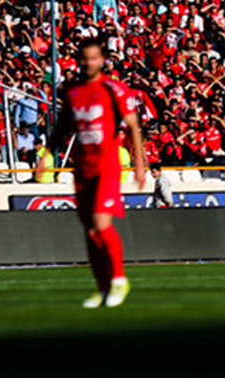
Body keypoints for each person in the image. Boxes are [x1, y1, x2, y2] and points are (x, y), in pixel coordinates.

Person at [38, 38, 146, 308]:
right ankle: (103, 288)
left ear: (102, 60)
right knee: (89, 231)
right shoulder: (73, 91)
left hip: (106, 167)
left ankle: (119, 279)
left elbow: (133, 126)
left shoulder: (114, 89)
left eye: (94, 58)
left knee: (101, 224)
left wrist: (140, 164)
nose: (89, 63)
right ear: (79, 59)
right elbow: (63, 127)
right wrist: (45, 156)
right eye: (85, 58)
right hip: (82, 167)